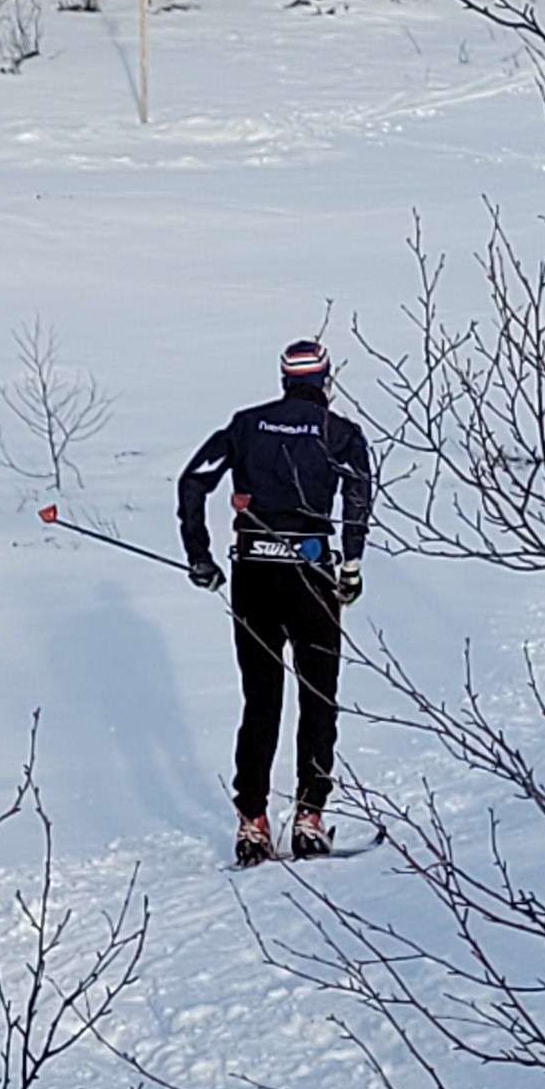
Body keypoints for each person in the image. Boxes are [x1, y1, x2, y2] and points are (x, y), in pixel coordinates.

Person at [175, 339, 372, 865]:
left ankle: (253, 823)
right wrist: (350, 566)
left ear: (284, 379)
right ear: (325, 381)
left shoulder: (246, 425)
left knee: (261, 699)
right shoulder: (341, 434)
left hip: (253, 574)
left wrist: (200, 556)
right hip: (312, 574)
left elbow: (193, 481)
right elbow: (357, 498)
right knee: (318, 695)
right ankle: (309, 816)